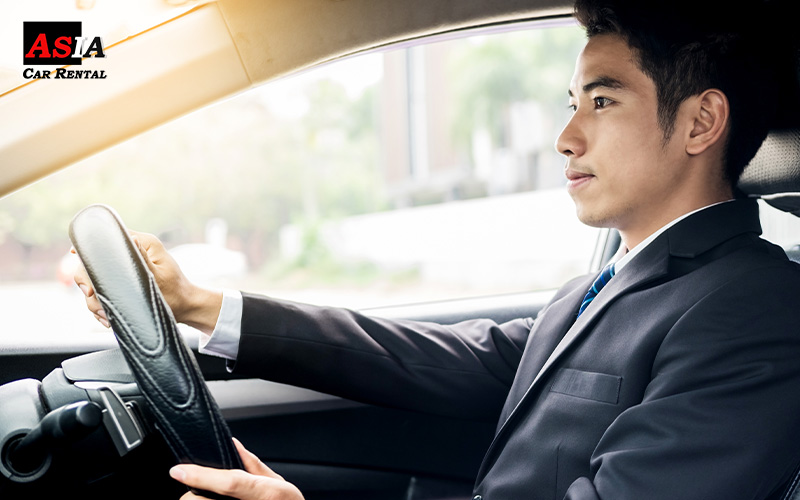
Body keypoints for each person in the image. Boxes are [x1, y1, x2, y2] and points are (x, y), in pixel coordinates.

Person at [75, 0, 800, 498]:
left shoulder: (753, 310)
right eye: (571, 103)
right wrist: (197, 304)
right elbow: (434, 357)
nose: (565, 137)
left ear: (701, 122)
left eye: (602, 101)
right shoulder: (607, 286)